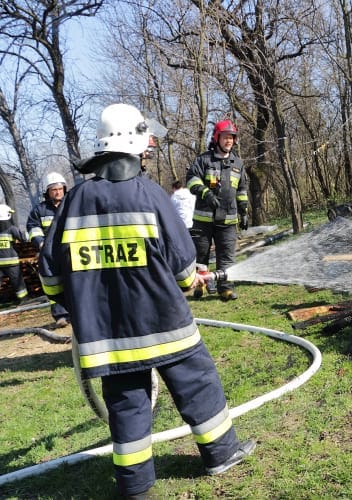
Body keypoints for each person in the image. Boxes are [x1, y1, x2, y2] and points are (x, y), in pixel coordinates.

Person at [37, 103, 255, 499]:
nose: (150, 147)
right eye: (146, 141)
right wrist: (194, 280)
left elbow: (50, 273)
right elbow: (184, 268)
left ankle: (136, 487)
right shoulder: (149, 195)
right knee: (198, 383)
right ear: (131, 141)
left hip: (108, 336)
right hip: (165, 325)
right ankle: (221, 453)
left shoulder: (72, 202)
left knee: (126, 405)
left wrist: (72, 303)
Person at [186, 119, 249, 301]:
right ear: (216, 138)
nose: (228, 141)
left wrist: (244, 211)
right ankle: (201, 286)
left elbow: (242, 189)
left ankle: (225, 288)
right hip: (204, 219)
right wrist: (206, 193)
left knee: (226, 256)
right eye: (225, 137)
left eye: (231, 137)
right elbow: (191, 180)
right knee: (201, 256)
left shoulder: (237, 163)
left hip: (228, 220)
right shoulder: (204, 160)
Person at [26, 171, 70, 327]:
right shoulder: (40, 210)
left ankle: (76, 313)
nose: (57, 192)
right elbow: (32, 227)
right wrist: (40, 243)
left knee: (72, 282)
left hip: (69, 251)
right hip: (49, 254)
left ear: (64, 188)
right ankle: (61, 316)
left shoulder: (71, 205)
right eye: (54, 189)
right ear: (48, 192)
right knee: (53, 285)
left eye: (60, 189)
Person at [0, 203, 30, 304]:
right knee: (17, 282)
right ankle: (23, 299)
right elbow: (23, 238)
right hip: (11, 262)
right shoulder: (11, 228)